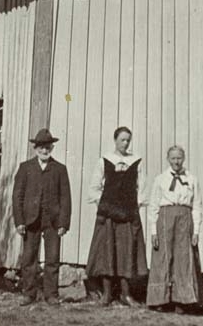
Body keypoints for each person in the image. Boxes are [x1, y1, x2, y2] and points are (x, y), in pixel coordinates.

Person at [86, 126, 147, 306]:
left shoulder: (136, 161)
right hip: (109, 216)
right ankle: (106, 295)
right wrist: (105, 206)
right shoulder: (104, 161)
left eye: (128, 140)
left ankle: (125, 295)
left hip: (128, 214)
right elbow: (94, 188)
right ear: (115, 140)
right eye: (122, 140)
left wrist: (136, 210)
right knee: (107, 253)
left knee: (127, 252)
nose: (125, 143)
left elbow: (141, 188)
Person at [12, 128, 72, 306]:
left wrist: (64, 223)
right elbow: (17, 196)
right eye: (41, 147)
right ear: (35, 148)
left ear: (52, 148)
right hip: (31, 220)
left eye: (47, 147)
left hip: (52, 221)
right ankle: (29, 293)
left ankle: (51, 294)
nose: (44, 151)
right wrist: (19, 221)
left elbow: (65, 197)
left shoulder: (59, 169)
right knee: (29, 257)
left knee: (52, 258)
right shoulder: (25, 168)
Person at [146, 145, 203, 313]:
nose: (176, 161)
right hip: (165, 217)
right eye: (173, 158)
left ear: (183, 158)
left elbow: (197, 206)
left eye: (179, 158)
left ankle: (182, 300)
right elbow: (153, 206)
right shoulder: (160, 179)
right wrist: (153, 231)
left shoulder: (192, 179)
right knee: (163, 256)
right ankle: (160, 300)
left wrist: (196, 231)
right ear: (168, 159)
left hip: (185, 218)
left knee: (183, 257)